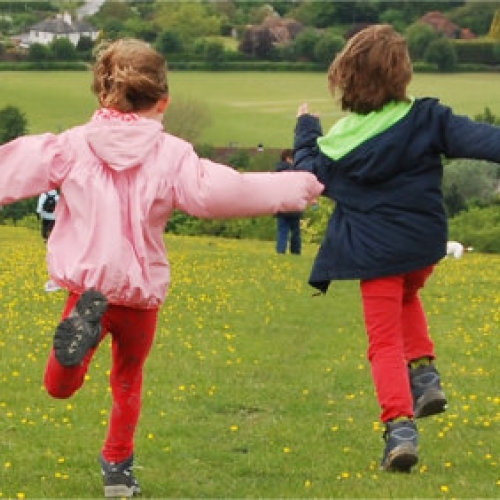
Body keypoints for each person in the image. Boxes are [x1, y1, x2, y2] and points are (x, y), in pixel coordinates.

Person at [0, 38, 322, 497]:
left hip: (89, 289)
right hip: (139, 292)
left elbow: (10, 168)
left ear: (102, 93)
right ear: (163, 101)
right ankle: (118, 470)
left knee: (60, 387)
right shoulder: (173, 155)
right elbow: (226, 191)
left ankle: (68, 357)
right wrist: (301, 185)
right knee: (127, 378)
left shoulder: (69, 147)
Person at [293, 24, 500, 473]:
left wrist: (306, 129)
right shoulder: (429, 118)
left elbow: (308, 173)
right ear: (402, 76)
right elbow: (487, 141)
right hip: (424, 249)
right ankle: (424, 375)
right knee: (409, 294)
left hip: (376, 255)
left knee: (383, 343)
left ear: (345, 79)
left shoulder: (339, 143)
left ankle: (399, 428)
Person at [275, 148, 303, 255]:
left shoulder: (277, 171)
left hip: (281, 204)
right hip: (294, 205)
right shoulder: (296, 171)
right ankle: (295, 252)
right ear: (288, 158)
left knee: (282, 231)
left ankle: (280, 251)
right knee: (295, 231)